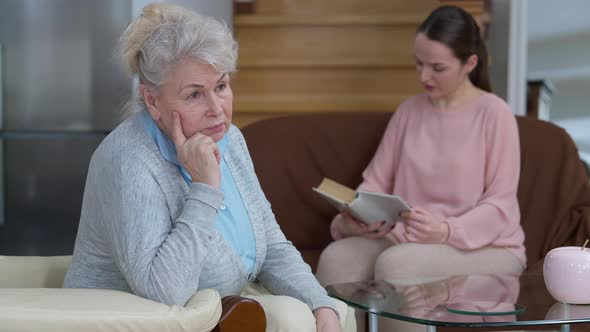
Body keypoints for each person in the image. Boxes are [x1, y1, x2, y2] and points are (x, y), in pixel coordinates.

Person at [63, 3, 346, 331]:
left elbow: (272, 245)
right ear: (152, 101)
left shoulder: (230, 140)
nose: (217, 109)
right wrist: (205, 187)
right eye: (195, 95)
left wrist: (319, 302)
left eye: (221, 87)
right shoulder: (129, 160)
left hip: (219, 318)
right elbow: (164, 291)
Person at [316, 5, 526, 331]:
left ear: (470, 63)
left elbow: (500, 204)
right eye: (419, 64)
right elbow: (374, 183)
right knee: (337, 257)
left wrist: (445, 231)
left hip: (487, 245)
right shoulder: (409, 111)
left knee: (398, 264)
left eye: (437, 67)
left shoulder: (494, 113)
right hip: (408, 239)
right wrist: (357, 217)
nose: (424, 76)